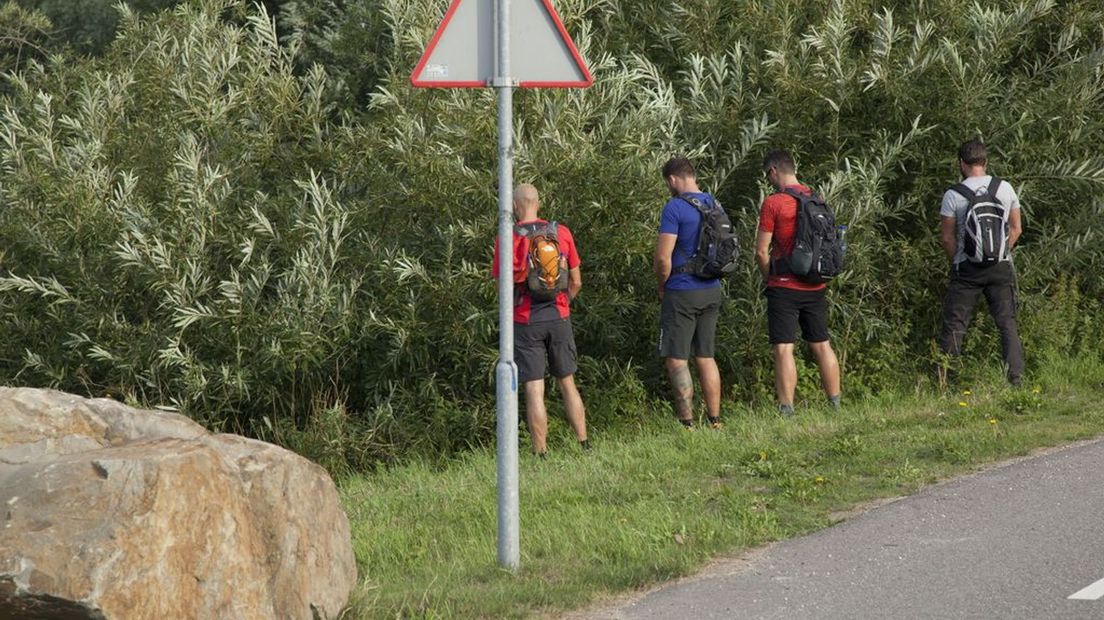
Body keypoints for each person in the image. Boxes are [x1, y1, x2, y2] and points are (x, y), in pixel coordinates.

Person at [493, 183, 588, 455]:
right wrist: (564, 302)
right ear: (539, 202)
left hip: (526, 319)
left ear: (514, 205)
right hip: (559, 315)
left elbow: (501, 288)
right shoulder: (561, 232)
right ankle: (584, 443)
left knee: (535, 388)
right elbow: (577, 281)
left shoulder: (508, 238)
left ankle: (541, 453)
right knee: (567, 381)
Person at [755, 149, 841, 417]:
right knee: (821, 343)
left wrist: (768, 277)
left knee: (783, 347)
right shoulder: (816, 199)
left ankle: (787, 409)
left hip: (784, 285)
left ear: (773, 172)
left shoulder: (773, 203)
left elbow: (761, 251)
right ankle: (835, 404)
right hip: (816, 284)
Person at [939, 139, 1025, 386]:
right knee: (1006, 322)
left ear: (961, 164)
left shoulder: (953, 194)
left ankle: (947, 381)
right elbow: (1017, 229)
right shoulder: (1005, 188)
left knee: (956, 324)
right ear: (985, 162)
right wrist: (1000, 251)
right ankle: (1016, 378)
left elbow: (946, 237)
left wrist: (959, 259)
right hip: (1000, 267)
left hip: (966, 269)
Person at [654, 157, 724, 429]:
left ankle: (687, 423)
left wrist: (662, 283)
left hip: (682, 291)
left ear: (672, 179)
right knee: (706, 356)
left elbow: (663, 258)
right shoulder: (714, 203)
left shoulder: (674, 207)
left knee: (677, 359)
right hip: (711, 289)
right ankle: (715, 420)